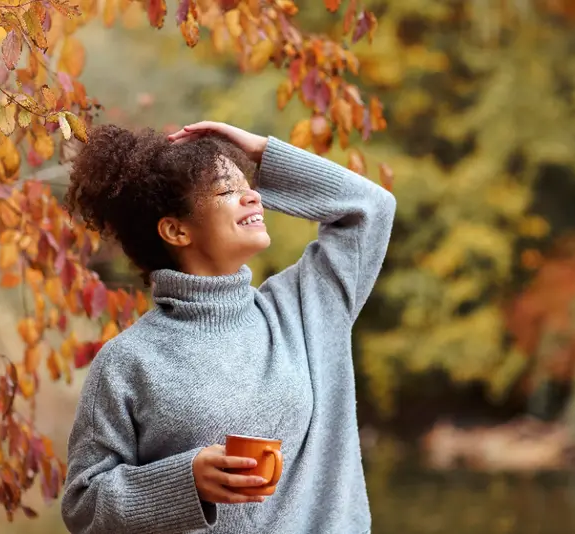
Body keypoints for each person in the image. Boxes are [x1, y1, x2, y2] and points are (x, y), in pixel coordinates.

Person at [60, 121, 396, 534]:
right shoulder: (127, 361)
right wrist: (185, 482)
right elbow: (82, 506)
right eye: (226, 191)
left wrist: (262, 155)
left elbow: (371, 208)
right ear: (176, 230)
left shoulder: (304, 308)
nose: (252, 195)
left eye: (247, 185)